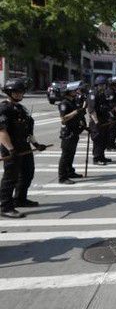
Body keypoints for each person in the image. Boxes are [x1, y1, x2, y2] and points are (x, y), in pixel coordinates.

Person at [0, 78, 47, 218]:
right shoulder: (4, 109)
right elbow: (2, 131)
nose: (20, 94)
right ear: (9, 92)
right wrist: (11, 149)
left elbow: (28, 131)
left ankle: (20, 199)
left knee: (27, 173)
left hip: (24, 147)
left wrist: (36, 144)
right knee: (10, 178)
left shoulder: (21, 109)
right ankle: (5, 206)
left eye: (21, 91)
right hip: (12, 148)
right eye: (16, 92)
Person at [57, 81, 87, 185]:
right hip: (67, 132)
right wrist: (76, 112)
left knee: (71, 154)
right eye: (75, 90)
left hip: (74, 131)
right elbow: (63, 119)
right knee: (66, 155)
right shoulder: (64, 103)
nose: (77, 92)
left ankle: (70, 172)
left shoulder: (73, 101)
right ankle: (62, 177)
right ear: (69, 92)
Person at [88, 75, 112, 165]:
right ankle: (96, 158)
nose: (105, 86)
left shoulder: (102, 94)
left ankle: (102, 156)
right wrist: (96, 121)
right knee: (98, 140)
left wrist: (110, 117)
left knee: (103, 139)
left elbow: (106, 107)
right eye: (104, 84)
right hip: (96, 121)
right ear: (99, 84)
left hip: (103, 120)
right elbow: (91, 109)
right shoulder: (93, 94)